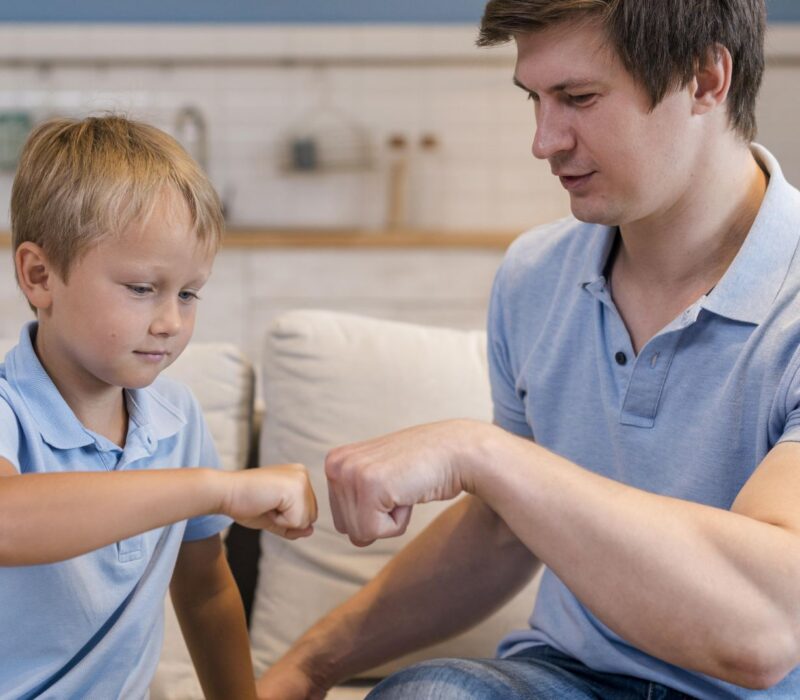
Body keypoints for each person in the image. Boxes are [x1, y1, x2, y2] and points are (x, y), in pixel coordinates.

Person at [256, 0, 800, 698]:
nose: (544, 141)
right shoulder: (535, 275)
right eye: (535, 100)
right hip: (564, 679)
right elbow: (507, 530)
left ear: (703, 79)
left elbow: (760, 631)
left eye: (578, 98)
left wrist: (480, 454)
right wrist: (308, 668)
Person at [0, 115, 318, 699]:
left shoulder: (175, 415)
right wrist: (216, 488)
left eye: (189, 293)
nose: (171, 321)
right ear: (40, 275)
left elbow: (203, 589)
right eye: (142, 288)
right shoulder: (6, 407)